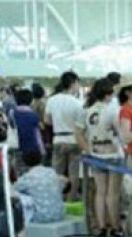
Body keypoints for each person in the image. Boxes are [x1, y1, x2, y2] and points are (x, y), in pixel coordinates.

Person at [75, 78, 125, 237]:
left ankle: (102, 227)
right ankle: (116, 227)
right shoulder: (113, 110)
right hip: (113, 154)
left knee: (100, 192)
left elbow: (78, 134)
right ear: (108, 94)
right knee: (113, 193)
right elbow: (121, 134)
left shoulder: (87, 110)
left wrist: (88, 150)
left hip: (95, 155)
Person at [45, 71, 84, 200]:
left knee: (57, 173)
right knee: (74, 173)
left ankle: (55, 199)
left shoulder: (52, 100)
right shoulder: (78, 103)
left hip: (58, 139)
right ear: (73, 83)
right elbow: (81, 125)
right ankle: (71, 199)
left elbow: (47, 121)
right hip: (74, 140)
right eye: (78, 83)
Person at [15, 151, 65, 225]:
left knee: (21, 196)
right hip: (59, 214)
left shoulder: (27, 177)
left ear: (25, 163)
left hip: (40, 217)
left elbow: (14, 189)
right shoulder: (52, 172)